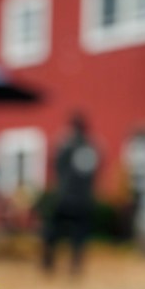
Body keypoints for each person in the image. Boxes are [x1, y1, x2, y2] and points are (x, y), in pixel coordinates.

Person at [42, 112, 99, 274]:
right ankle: (75, 265)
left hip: (64, 197)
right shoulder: (91, 147)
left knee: (52, 231)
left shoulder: (65, 145)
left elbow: (56, 167)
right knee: (79, 235)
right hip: (83, 199)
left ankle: (48, 262)